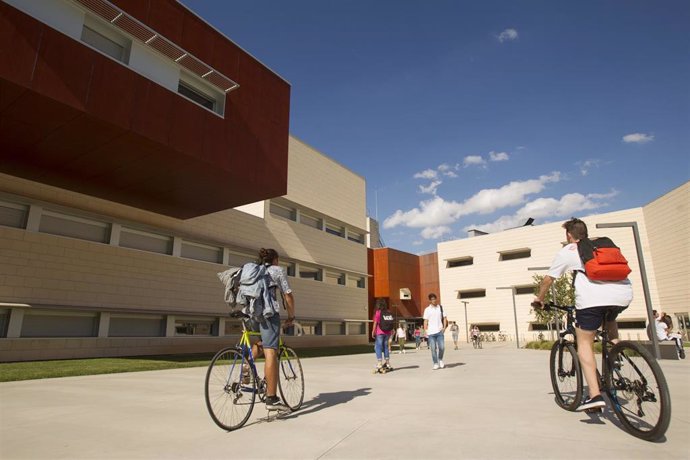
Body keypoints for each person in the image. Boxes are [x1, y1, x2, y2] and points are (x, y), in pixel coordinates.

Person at [534, 218, 633, 411]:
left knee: (584, 342)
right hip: (623, 295)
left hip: (592, 300)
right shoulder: (604, 245)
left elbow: (548, 280)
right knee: (610, 320)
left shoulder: (569, 250)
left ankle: (595, 395)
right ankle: (616, 352)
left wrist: (540, 298)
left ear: (569, 235)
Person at [247, 248, 296, 411]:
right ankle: (271, 398)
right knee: (271, 351)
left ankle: (245, 367)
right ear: (275, 259)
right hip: (269, 314)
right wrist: (291, 316)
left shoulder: (254, 270)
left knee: (261, 343)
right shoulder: (277, 270)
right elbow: (288, 295)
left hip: (251, 313)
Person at [423, 293, 448, 369]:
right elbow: (425, 321)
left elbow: (444, 318)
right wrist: (425, 330)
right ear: (430, 300)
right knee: (433, 349)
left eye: (435, 299)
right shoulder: (427, 309)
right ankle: (435, 363)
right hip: (431, 333)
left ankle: (440, 359)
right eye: (432, 299)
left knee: (442, 347)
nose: (434, 300)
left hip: (440, 331)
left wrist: (444, 328)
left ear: (436, 299)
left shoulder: (440, 308)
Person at [371, 298, 394, 371]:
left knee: (378, 347)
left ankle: (379, 363)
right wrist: (392, 330)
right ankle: (387, 363)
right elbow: (390, 322)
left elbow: (375, 323)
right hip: (387, 332)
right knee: (386, 347)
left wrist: (373, 331)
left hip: (380, 332)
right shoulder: (388, 312)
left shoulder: (378, 312)